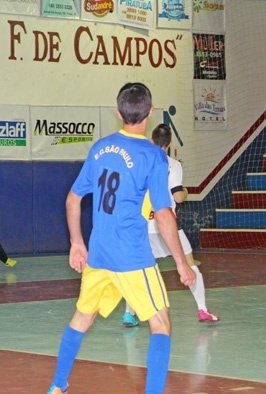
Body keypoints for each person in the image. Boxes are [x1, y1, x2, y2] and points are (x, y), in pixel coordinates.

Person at [46, 83, 196, 394]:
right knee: (161, 324)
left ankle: (58, 386)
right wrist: (182, 264)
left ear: (118, 113)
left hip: (99, 254)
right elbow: (165, 215)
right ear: (150, 113)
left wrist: (76, 242)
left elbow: (73, 200)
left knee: (81, 319)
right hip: (132, 256)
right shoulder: (153, 157)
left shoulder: (99, 148)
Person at [122, 124, 219, 328]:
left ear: (152, 140)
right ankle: (202, 309)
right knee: (189, 264)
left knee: (139, 269)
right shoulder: (173, 164)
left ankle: (129, 314)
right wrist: (185, 191)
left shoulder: (138, 162)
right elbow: (178, 197)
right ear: (170, 143)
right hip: (166, 225)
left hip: (141, 226)